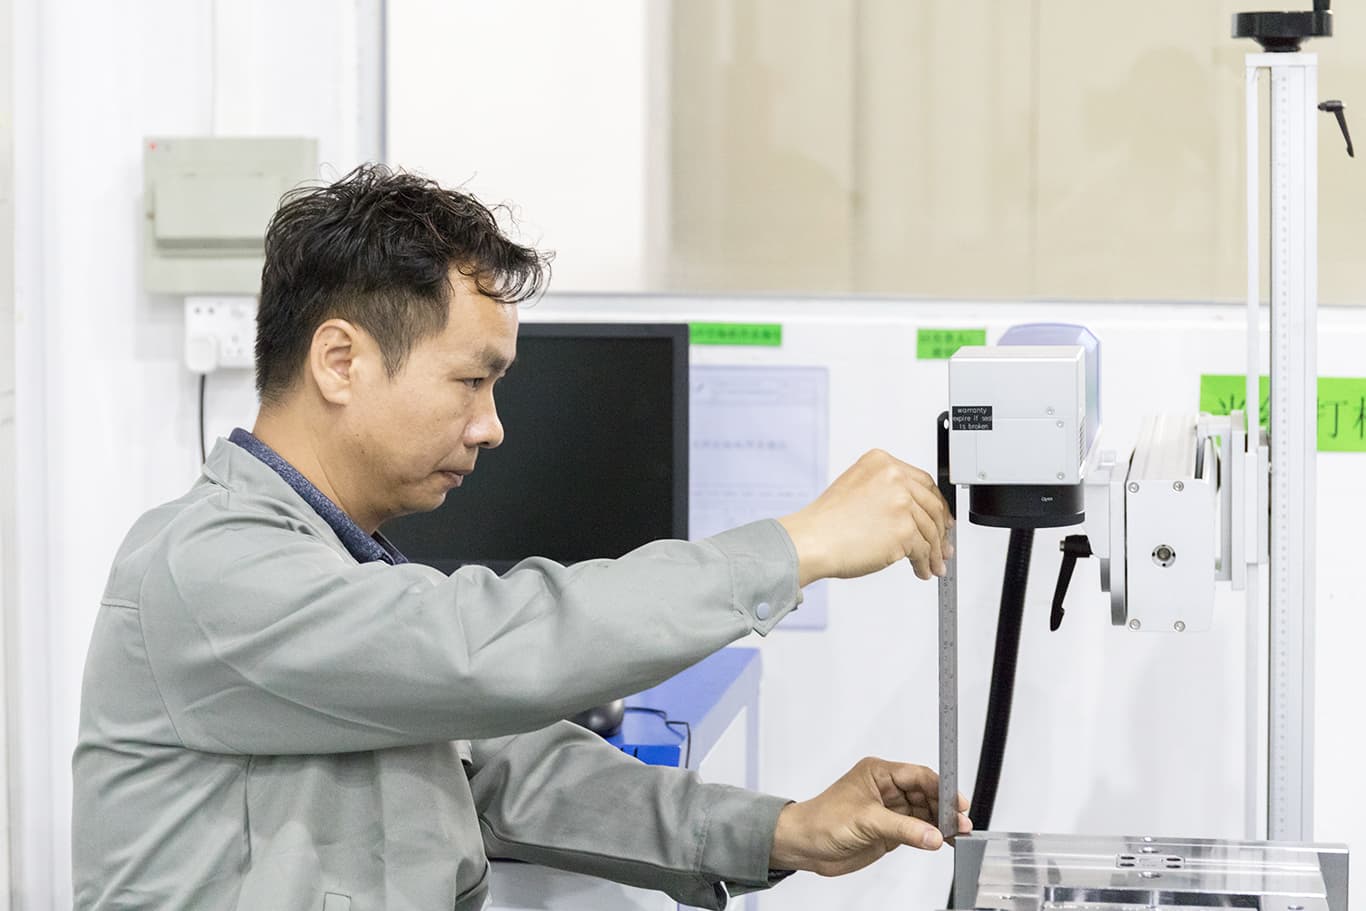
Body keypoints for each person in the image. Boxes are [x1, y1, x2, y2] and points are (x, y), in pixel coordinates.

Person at [72, 165, 968, 910]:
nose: (491, 425)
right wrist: (797, 546)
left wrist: (783, 829)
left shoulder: (336, 564)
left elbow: (510, 770)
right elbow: (481, 651)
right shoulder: (207, 566)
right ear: (340, 362)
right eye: (472, 381)